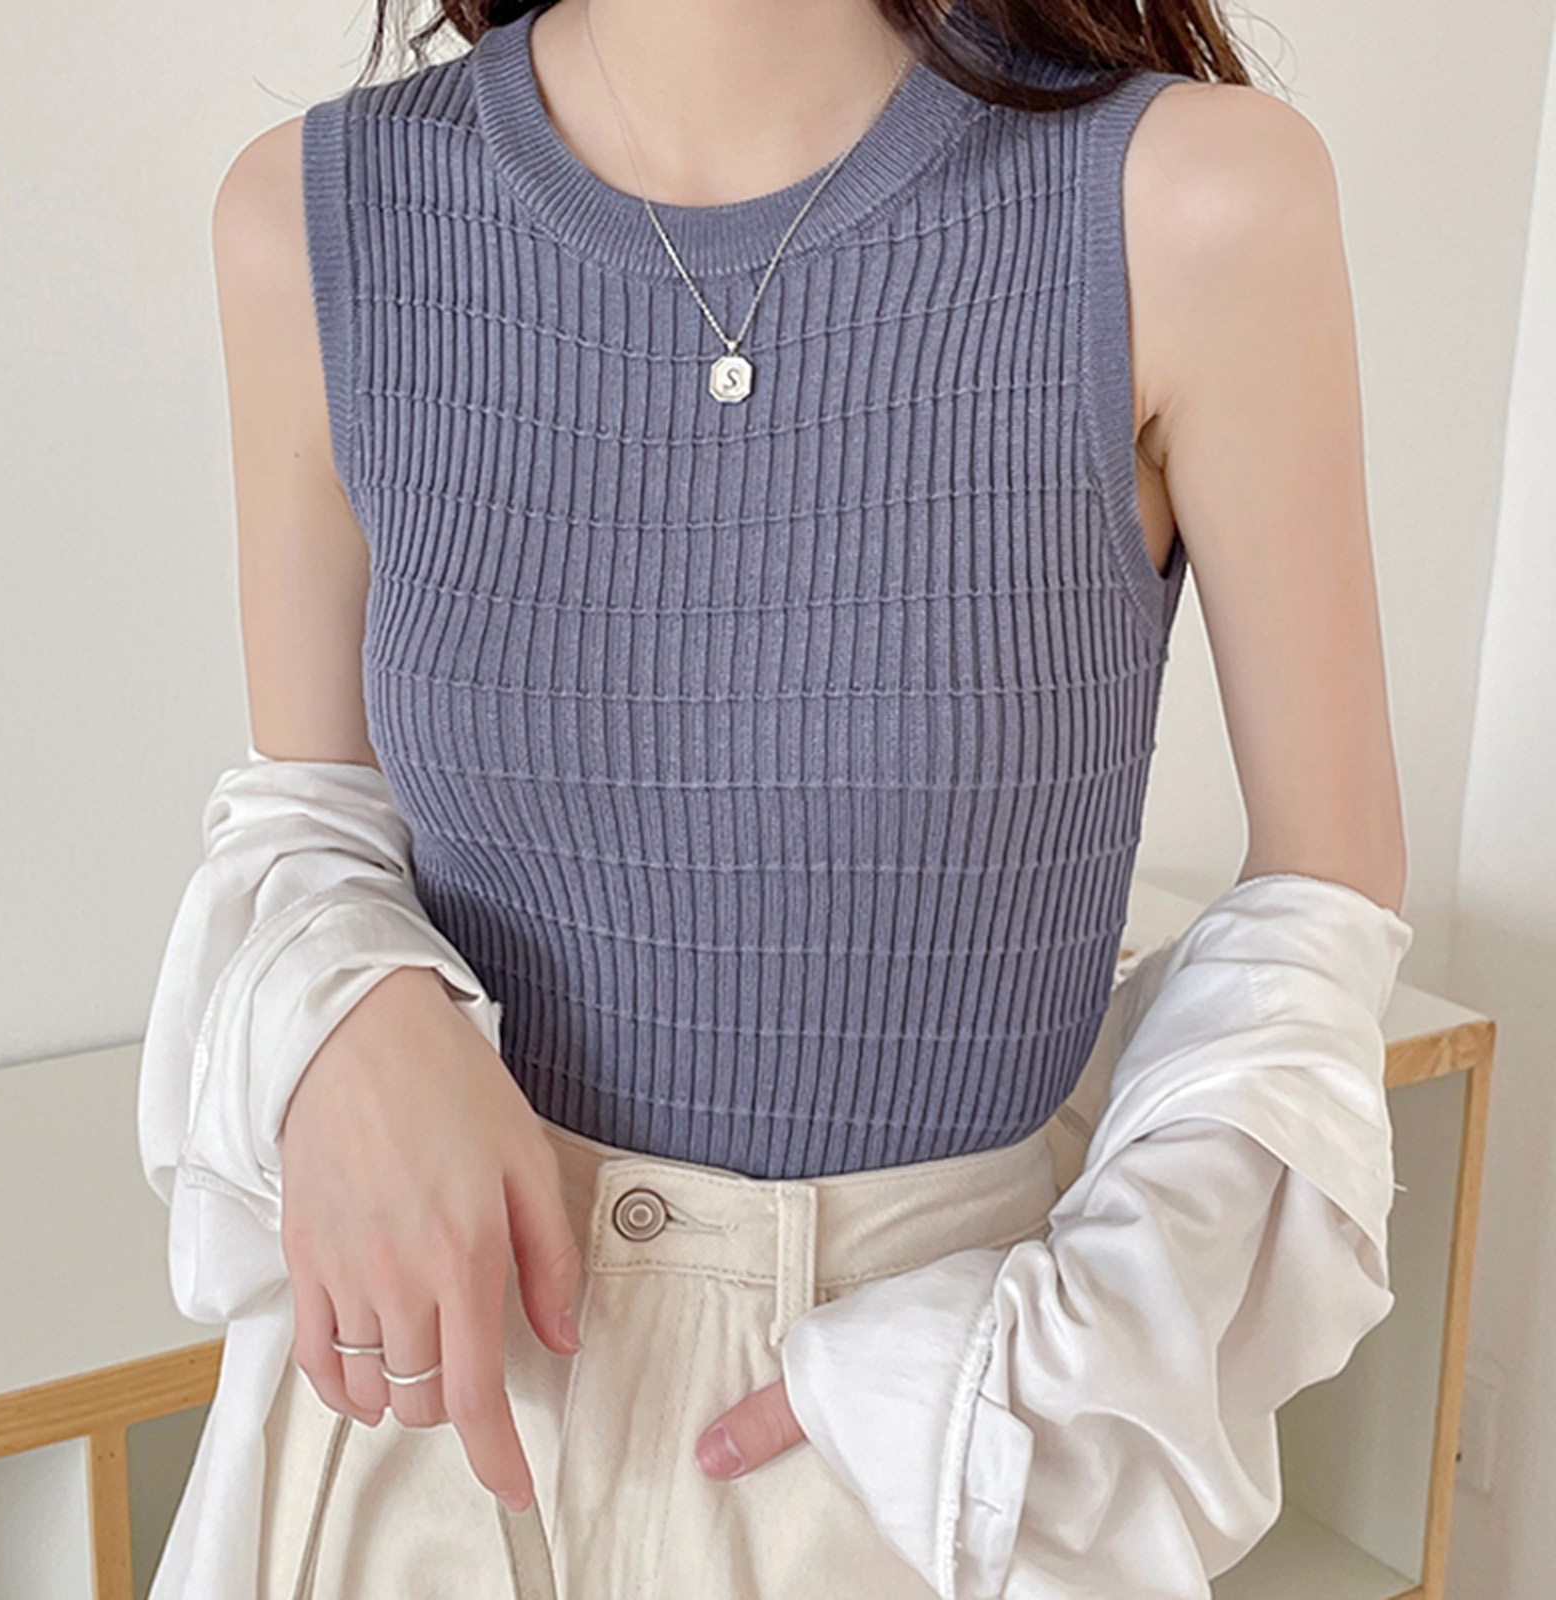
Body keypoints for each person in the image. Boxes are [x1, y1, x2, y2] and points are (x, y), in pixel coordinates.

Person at [137, 0, 1414, 1596]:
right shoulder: (312, 213)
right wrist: (350, 1012)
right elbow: (307, 814)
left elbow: (1322, 902)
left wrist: (1035, 1366)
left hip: (910, 1451)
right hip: (429, 1443)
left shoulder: (1187, 204)